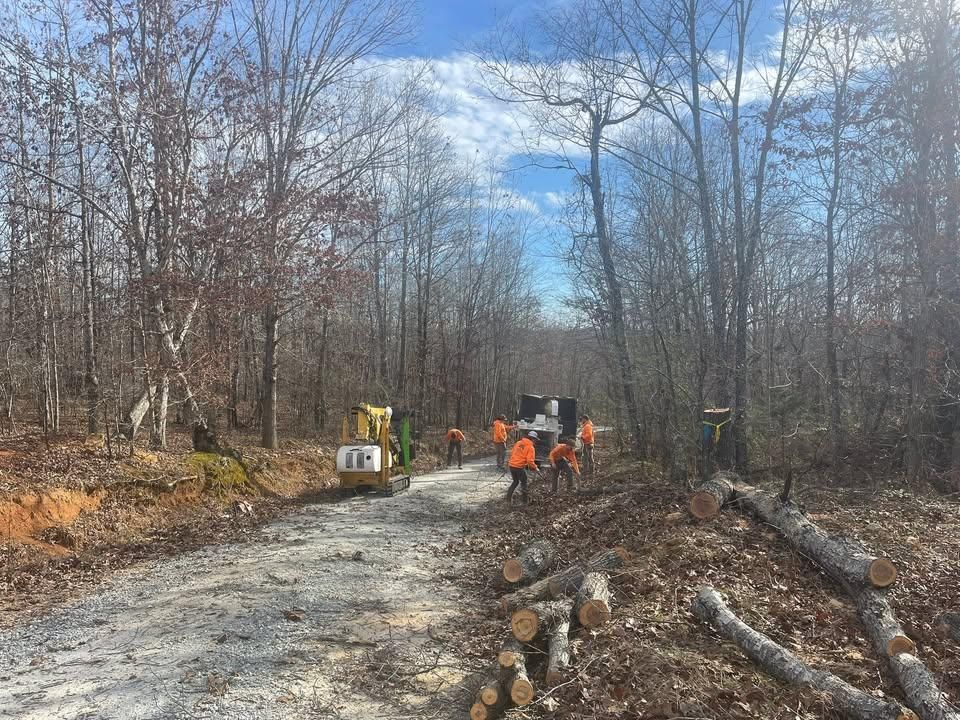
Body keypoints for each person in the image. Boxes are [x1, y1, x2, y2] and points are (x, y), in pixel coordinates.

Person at [506, 431, 539, 505]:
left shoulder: (518, 443)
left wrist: (509, 462)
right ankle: (524, 501)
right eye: (535, 440)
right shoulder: (531, 447)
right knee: (524, 483)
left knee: (515, 482)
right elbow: (530, 461)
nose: (535, 441)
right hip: (519, 467)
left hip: (512, 466)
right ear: (533, 439)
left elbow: (512, 453)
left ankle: (508, 499)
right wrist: (535, 468)